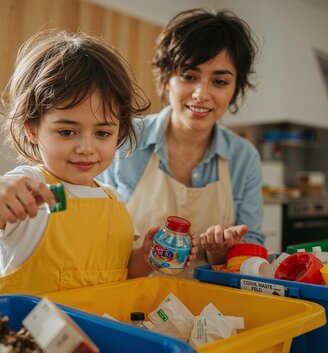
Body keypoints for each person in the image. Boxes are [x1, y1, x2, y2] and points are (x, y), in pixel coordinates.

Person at [0, 30, 198, 296]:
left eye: (103, 133)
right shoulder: (31, 189)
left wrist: (145, 256)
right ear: (32, 129)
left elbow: (122, 275)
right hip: (23, 335)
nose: (86, 148)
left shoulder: (112, 201)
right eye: (67, 132)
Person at [99, 9, 264, 269]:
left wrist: (222, 253)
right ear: (166, 80)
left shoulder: (244, 157)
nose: (201, 94)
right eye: (189, 76)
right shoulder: (123, 138)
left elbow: (252, 247)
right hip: (127, 298)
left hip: (210, 305)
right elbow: (91, 222)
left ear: (235, 89)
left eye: (219, 81)